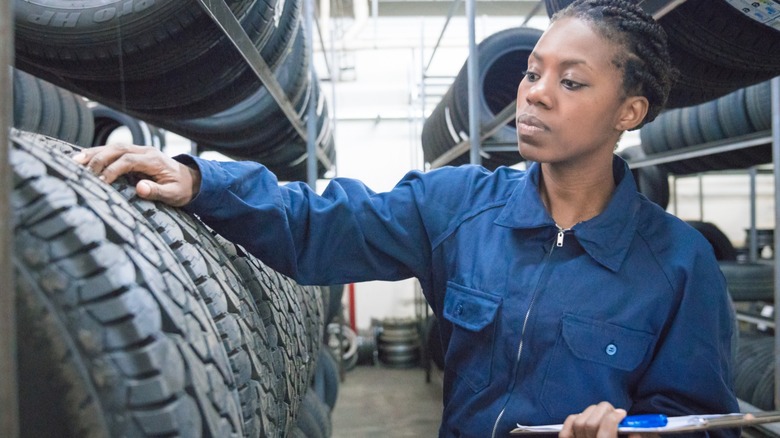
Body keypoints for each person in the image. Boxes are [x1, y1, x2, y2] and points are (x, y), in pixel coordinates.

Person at [73, 0, 740, 436]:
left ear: (630, 111)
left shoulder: (679, 264)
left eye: (571, 82)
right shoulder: (457, 207)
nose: (534, 93)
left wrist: (622, 430)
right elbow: (323, 220)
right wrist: (200, 180)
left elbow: (696, 420)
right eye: (533, 72)